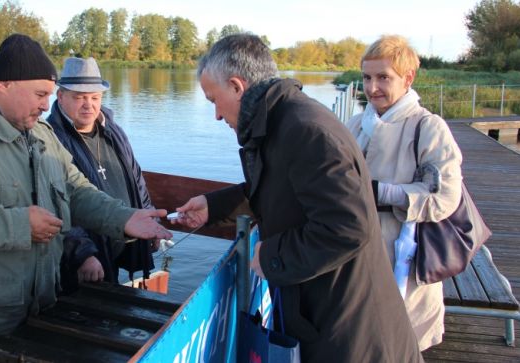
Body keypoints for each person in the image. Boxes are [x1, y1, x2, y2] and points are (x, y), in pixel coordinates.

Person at [0, 34, 172, 362]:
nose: (47, 105)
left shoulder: (41, 134)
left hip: (31, 312)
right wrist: (19, 225)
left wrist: (124, 218)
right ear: (3, 85)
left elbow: (76, 189)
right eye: (41, 94)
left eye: (50, 95)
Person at [172, 34, 423, 362]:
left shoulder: (306, 131)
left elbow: (348, 228)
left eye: (213, 100)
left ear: (236, 86)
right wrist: (213, 206)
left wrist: (270, 257)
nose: (217, 115)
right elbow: (281, 190)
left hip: (354, 335)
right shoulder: (282, 121)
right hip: (326, 316)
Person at [345, 35, 463, 351]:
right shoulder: (356, 124)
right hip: (356, 249)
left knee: (400, 341)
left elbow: (446, 197)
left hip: (403, 257)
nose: (372, 88)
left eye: (384, 77)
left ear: (408, 78)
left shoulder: (429, 127)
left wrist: (383, 192)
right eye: (367, 77)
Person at [46, 57, 156, 291]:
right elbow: (54, 203)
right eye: (79, 97)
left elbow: (136, 180)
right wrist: (82, 253)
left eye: (95, 97)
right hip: (84, 261)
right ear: (61, 97)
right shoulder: (50, 138)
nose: (89, 105)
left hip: (120, 243)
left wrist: (150, 221)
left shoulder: (113, 130)